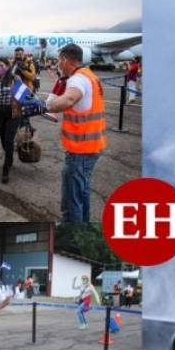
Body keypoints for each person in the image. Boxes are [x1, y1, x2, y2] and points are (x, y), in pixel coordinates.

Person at [46, 44, 107, 222]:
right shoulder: (90, 75)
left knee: (71, 202)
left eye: (59, 61)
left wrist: (46, 106)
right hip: (94, 146)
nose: (58, 64)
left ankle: (72, 240)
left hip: (80, 151)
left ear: (64, 60)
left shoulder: (77, 79)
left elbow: (70, 98)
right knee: (82, 193)